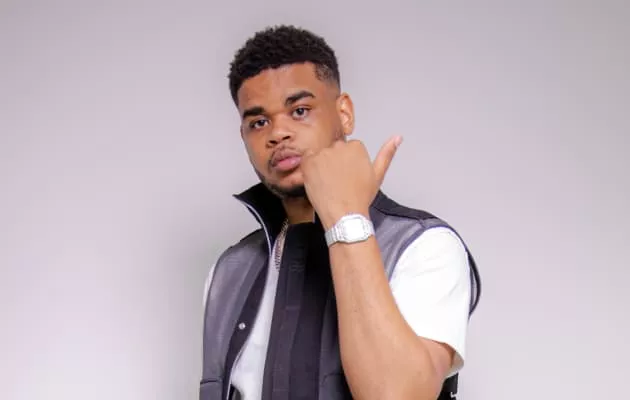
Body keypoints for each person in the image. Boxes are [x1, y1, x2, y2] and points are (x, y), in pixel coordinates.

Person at [200, 25, 481, 400]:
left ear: (344, 113)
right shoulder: (231, 271)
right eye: (259, 122)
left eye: (300, 111)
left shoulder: (424, 247)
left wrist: (347, 217)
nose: (278, 133)